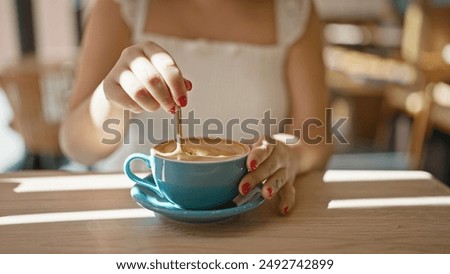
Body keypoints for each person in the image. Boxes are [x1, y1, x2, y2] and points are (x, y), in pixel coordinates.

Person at [59, 0, 333, 216]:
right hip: (125, 220)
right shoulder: (121, 5)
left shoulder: (294, 11)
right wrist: (110, 100)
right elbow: (75, 147)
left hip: (251, 223)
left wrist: (290, 154)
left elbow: (315, 139)